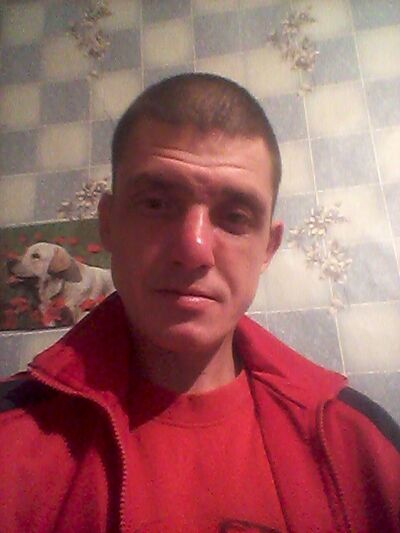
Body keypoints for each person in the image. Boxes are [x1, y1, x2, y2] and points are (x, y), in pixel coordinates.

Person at [0, 73, 399, 533]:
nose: (194, 249)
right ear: (109, 225)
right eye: (156, 203)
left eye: (235, 216)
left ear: (267, 249)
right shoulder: (11, 439)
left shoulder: (359, 443)